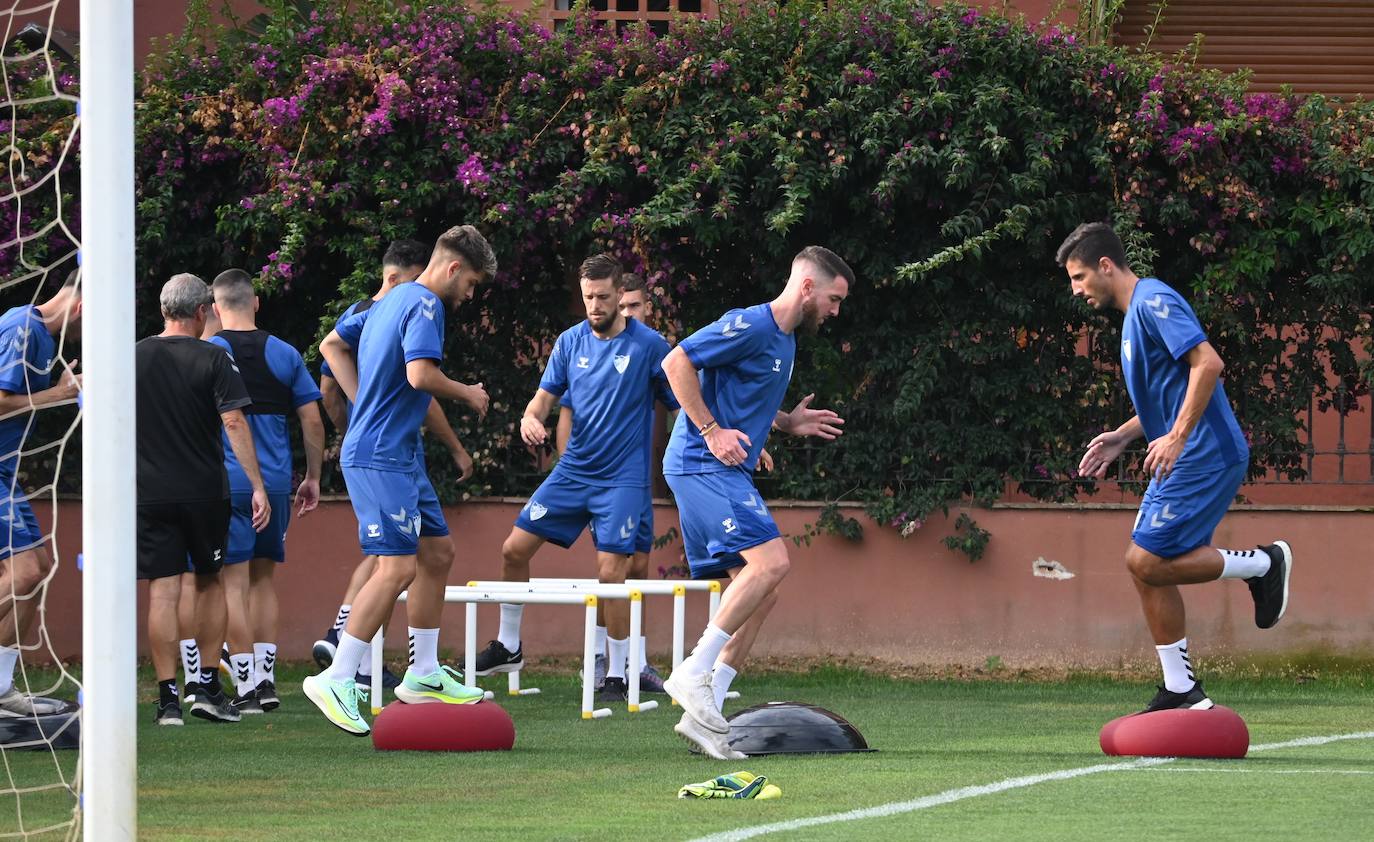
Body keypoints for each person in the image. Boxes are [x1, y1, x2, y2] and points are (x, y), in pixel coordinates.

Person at [1057, 222, 1292, 713]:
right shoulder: (1132, 320)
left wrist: (1178, 436)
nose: (1076, 290)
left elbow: (1207, 364)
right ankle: (1180, 688)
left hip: (1204, 453)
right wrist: (1125, 435)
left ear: (1105, 266)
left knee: (1143, 561)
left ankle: (1264, 564)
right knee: (1146, 568)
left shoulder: (1154, 301)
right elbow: (1169, 394)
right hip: (1187, 454)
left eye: (1079, 277)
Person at [661, 246, 852, 759]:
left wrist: (787, 423)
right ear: (808, 287)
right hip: (701, 464)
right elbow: (676, 360)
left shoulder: (785, 341)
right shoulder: (750, 325)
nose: (836, 312)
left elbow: (744, 393)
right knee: (772, 563)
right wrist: (712, 431)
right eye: (834, 299)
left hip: (724, 468)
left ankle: (708, 713)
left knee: (760, 592)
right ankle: (693, 675)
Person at [305, 225, 494, 735]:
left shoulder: (386, 300)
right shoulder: (427, 305)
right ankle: (339, 676)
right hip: (382, 456)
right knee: (396, 568)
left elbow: (331, 344)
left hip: (401, 456)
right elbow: (420, 376)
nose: (470, 295)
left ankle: (424, 673)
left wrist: (362, 397)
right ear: (453, 269)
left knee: (438, 553)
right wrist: (468, 393)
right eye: (472, 284)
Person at [475, 256, 677, 703]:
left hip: (622, 478)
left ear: (620, 297)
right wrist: (530, 419)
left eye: (603, 297)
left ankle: (620, 672)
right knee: (513, 550)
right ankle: (509, 645)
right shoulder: (569, 343)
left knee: (612, 573)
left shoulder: (650, 346)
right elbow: (542, 400)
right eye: (588, 297)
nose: (595, 305)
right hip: (573, 473)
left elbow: (683, 401)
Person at [136, 274, 271, 726]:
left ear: (162, 310)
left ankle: (168, 698)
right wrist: (256, 484)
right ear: (201, 313)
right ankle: (208, 685)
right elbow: (233, 422)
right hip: (204, 491)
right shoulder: (214, 356)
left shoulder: (132, 356)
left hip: (149, 493)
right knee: (210, 582)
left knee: (163, 590)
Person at [203, 269, 324, 714]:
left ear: (215, 309)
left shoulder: (208, 351)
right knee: (263, 579)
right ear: (256, 303)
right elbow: (312, 419)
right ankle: (268, 681)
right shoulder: (286, 352)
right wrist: (311, 476)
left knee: (231, 585)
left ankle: (247, 685)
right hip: (273, 484)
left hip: (224, 483)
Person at [554, 273, 671, 694]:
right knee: (613, 569)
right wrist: (572, 468)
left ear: (642, 308)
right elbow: (566, 411)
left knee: (637, 569)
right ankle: (609, 661)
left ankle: (636, 660)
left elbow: (684, 401)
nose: (622, 313)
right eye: (619, 307)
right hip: (603, 478)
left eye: (631, 307)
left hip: (638, 480)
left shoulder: (650, 349)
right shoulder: (585, 351)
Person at [0, 269, 81, 716]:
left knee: (39, 569)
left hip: (6, 473)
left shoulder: (40, 335)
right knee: (27, 572)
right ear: (83, 307)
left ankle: (1, 690)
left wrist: (63, 393)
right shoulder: (23, 328)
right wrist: (59, 394)